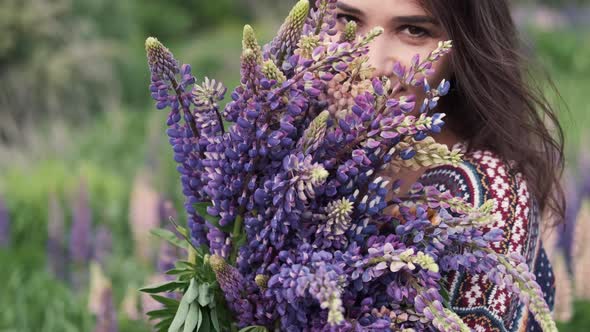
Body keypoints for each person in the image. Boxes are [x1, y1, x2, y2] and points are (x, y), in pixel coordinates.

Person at [333, 0, 566, 331]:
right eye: (348, 20)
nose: (371, 63)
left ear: (463, 49)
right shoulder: (300, 154)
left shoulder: (481, 194)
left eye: (414, 31)